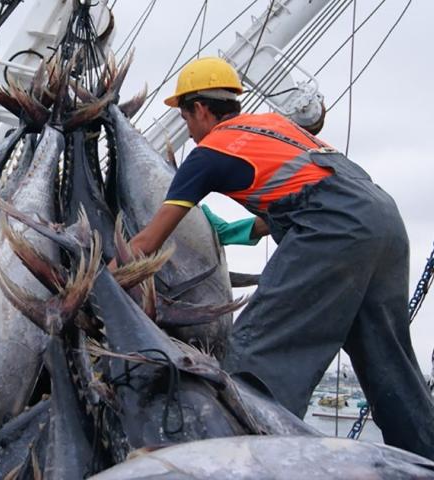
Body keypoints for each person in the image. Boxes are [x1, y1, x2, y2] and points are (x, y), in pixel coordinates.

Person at [123, 56, 434, 459]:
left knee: (255, 360)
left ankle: (251, 460)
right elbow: (298, 202)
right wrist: (233, 231)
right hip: (384, 220)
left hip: (334, 230)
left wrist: (101, 282)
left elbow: (148, 241)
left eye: (186, 119)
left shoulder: (208, 152)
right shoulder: (274, 126)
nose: (191, 133)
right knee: (388, 364)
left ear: (200, 109)